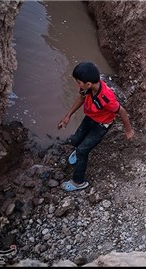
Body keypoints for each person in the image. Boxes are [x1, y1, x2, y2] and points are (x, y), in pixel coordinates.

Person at [57, 61, 134, 192]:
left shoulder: (107, 99)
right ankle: (79, 152)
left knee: (82, 150)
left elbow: (122, 111)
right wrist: (68, 116)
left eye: (78, 82)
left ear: (88, 83)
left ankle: (78, 182)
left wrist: (129, 130)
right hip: (90, 117)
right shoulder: (85, 88)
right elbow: (81, 99)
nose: (77, 85)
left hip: (102, 125)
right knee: (75, 140)